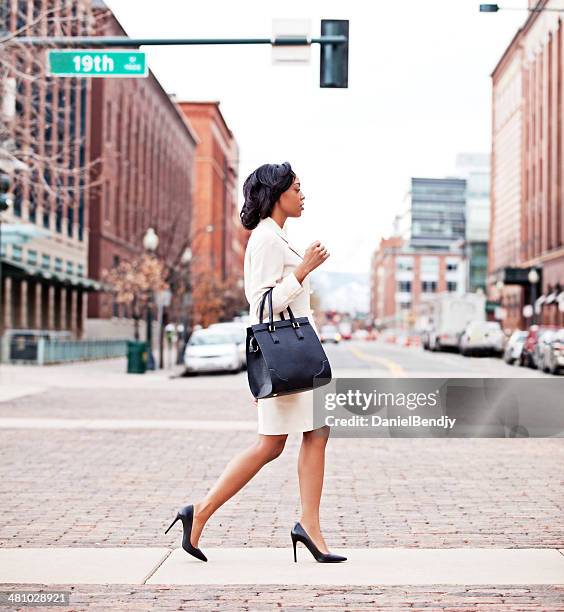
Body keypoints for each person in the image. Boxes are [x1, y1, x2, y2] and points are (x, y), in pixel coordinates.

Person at [165, 162, 346, 563]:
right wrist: (302, 271)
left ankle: (305, 525)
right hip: (290, 357)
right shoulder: (265, 240)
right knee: (274, 444)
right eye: (297, 188)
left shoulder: (277, 238)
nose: (303, 196)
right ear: (278, 193)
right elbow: (262, 307)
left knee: (304, 436)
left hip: (298, 358)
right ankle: (205, 513)